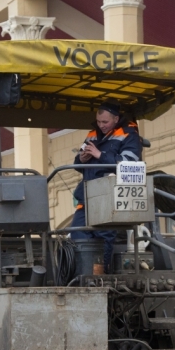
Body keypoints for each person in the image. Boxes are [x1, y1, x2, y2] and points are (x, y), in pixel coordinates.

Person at [70, 104, 143, 272]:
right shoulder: (92, 134)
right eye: (98, 121)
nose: (101, 125)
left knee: (103, 239)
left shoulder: (129, 135)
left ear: (116, 119)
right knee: (77, 234)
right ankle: (81, 277)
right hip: (87, 197)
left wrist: (99, 155)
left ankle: (100, 279)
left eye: (105, 122)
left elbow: (129, 164)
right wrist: (81, 158)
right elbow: (77, 164)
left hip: (110, 199)